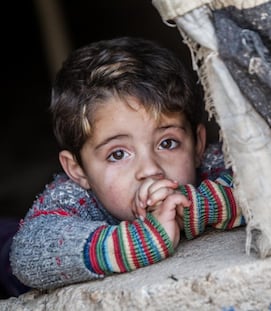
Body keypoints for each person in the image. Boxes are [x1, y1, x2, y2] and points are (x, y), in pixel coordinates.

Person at [8, 36, 245, 293]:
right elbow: (27, 253)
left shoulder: (213, 163)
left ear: (197, 144)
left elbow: (263, 188)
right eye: (118, 154)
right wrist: (140, 240)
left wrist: (194, 207)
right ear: (78, 170)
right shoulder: (73, 197)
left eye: (167, 143)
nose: (149, 169)